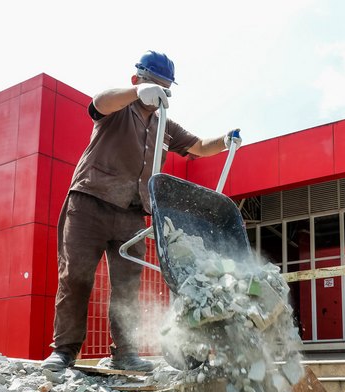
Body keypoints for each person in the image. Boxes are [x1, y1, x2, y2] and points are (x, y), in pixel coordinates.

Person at [41, 51, 239, 372]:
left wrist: (226, 140)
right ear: (137, 79)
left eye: (165, 88)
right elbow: (99, 102)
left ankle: (125, 353)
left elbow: (200, 146)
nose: (160, 93)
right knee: (75, 276)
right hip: (90, 202)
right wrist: (136, 93)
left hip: (132, 213)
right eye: (154, 84)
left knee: (127, 287)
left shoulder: (165, 126)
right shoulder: (118, 110)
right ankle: (64, 350)